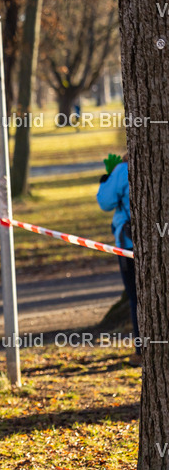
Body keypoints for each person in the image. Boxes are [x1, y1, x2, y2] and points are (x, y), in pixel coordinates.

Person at [97, 152, 139, 366]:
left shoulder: (123, 170)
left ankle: (142, 350)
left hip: (129, 244)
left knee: (136, 297)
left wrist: (108, 178)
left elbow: (105, 202)